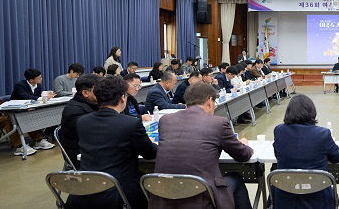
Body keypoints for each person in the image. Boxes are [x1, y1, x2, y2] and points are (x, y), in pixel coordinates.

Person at [149, 83, 253, 209]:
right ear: (210, 100)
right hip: (201, 197)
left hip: (164, 196)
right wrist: (243, 144)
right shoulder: (218, 123)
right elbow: (243, 155)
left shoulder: (165, 120)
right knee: (235, 178)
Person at [65, 76, 157, 209]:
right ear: (122, 98)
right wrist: (151, 142)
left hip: (84, 190)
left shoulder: (83, 121)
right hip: (118, 193)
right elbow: (149, 154)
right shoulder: (131, 124)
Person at [272, 95, 339, 209]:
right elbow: (337, 157)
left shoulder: (279, 130)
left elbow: (277, 154)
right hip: (317, 199)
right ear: (312, 112)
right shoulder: (323, 134)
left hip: (285, 198)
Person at [0, 70, 53, 156]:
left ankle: (38, 140)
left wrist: (3, 108)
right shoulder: (20, 85)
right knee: (9, 120)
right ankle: (19, 146)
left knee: (25, 115)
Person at [60, 74, 100, 170]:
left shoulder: (93, 103)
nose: (103, 92)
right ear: (85, 93)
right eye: (98, 90)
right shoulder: (74, 110)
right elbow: (97, 132)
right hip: (82, 160)